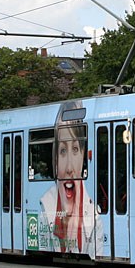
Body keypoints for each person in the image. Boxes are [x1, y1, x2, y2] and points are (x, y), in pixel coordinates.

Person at [39, 101, 102, 256]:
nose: (68, 168)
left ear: (83, 156)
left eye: (75, 149)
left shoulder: (95, 218)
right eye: (62, 151)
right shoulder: (44, 211)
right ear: (55, 161)